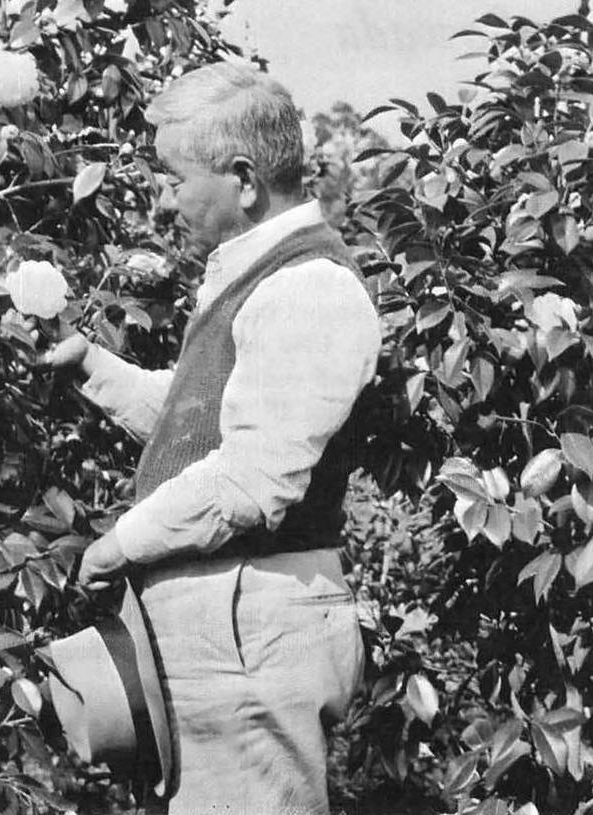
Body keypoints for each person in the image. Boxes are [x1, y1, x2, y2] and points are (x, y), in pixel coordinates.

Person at [47, 61, 381, 815]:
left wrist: (116, 545)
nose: (163, 200)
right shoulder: (260, 274)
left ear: (242, 179)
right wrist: (92, 367)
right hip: (226, 626)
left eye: (173, 178)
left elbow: (249, 478)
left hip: (248, 628)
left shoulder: (309, 289)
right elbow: (205, 414)